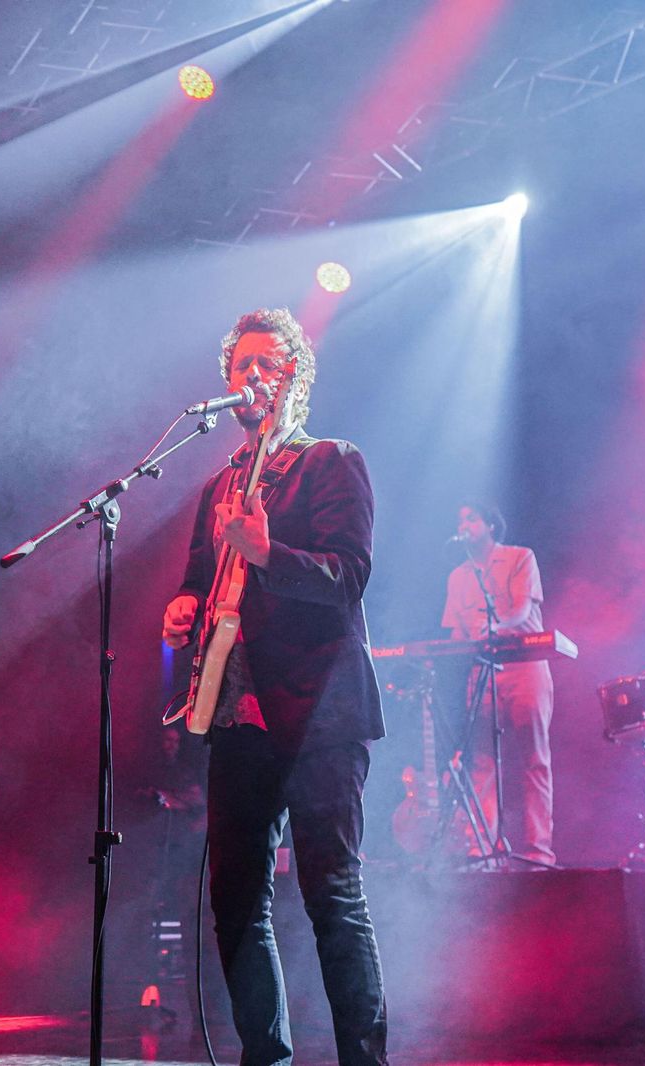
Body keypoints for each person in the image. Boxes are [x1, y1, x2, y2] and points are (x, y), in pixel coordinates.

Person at [161, 308, 388, 1066]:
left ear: (296, 375)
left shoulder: (329, 461)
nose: (251, 376)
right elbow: (201, 582)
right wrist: (183, 608)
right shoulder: (218, 485)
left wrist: (269, 553)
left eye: (267, 362)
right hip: (236, 716)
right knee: (235, 902)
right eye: (239, 366)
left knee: (331, 896)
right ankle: (267, 1057)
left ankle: (364, 1058)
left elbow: (348, 576)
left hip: (319, 709)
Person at [441, 503, 556, 867]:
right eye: (460, 519)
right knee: (482, 761)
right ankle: (483, 848)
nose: (464, 525)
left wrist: (497, 626)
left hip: (526, 665)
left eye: (471, 518)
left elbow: (523, 609)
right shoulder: (457, 575)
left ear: (490, 524)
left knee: (534, 758)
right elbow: (457, 632)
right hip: (483, 668)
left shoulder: (521, 557)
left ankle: (540, 850)